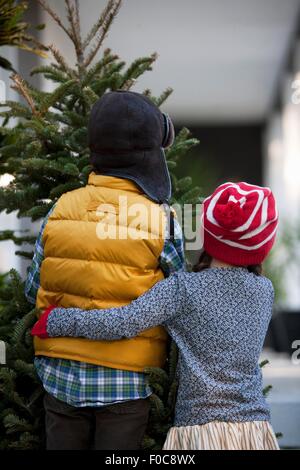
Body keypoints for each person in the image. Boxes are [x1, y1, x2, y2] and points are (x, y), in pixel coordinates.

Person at [32, 181, 280, 451]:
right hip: (255, 429)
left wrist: (58, 320)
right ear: (262, 244)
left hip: (199, 432)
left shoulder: (182, 289)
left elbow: (123, 322)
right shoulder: (264, 291)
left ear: (207, 232)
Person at [26, 91, 184, 450]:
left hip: (58, 373)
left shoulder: (60, 208)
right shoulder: (161, 219)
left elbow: (32, 286)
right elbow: (179, 295)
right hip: (126, 381)